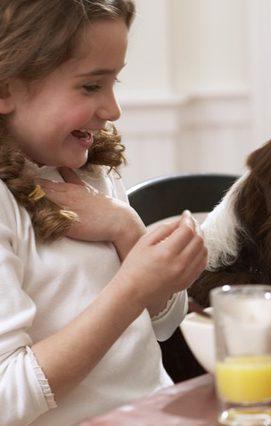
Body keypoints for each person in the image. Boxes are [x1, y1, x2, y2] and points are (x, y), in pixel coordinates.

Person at [0, 1, 208, 424]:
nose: (113, 110)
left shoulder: (86, 171)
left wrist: (126, 229)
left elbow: (162, 326)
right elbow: (7, 395)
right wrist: (129, 289)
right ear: (6, 87)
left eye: (113, 83)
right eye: (91, 86)